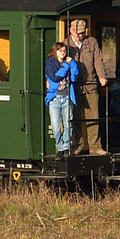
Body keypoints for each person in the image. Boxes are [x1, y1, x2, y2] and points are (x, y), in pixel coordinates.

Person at [69, 18, 106, 154]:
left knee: (93, 117)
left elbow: (98, 60)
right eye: (77, 33)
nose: (80, 35)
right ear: (71, 30)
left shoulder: (92, 42)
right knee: (76, 118)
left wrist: (102, 76)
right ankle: (78, 145)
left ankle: (95, 147)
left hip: (91, 85)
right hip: (74, 87)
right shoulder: (66, 44)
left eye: (82, 33)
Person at [44, 42, 77, 154]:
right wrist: (66, 66)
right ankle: (59, 147)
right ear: (55, 51)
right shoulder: (50, 63)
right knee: (56, 126)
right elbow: (55, 77)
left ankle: (66, 147)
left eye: (64, 51)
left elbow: (74, 75)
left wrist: (72, 63)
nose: (63, 53)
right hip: (55, 98)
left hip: (67, 97)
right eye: (60, 50)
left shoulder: (67, 62)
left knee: (68, 124)